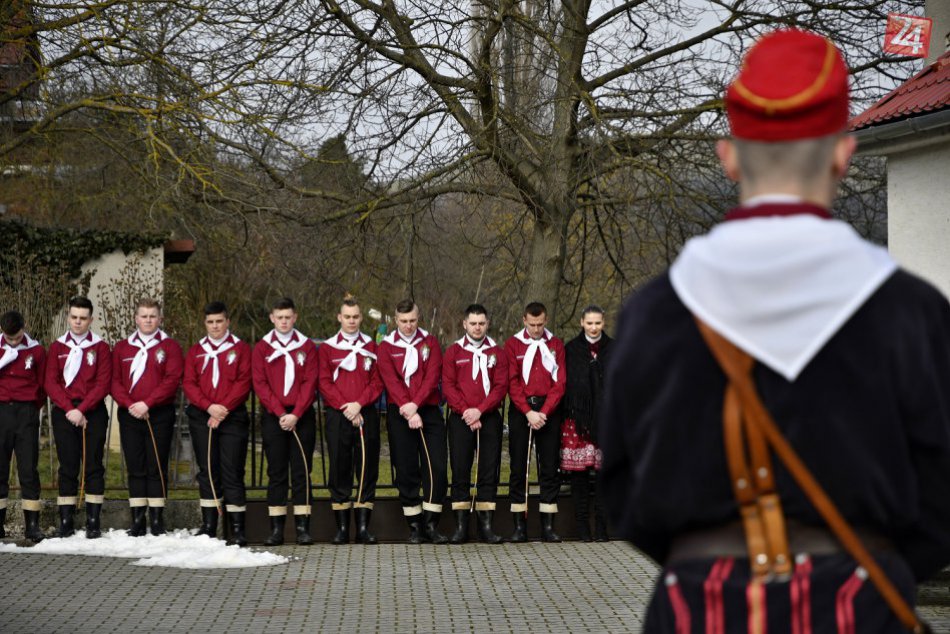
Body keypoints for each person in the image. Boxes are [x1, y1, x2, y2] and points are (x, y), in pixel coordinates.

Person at [599, 29, 950, 632]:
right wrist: (871, 567)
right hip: (859, 606)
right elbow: (942, 495)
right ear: (843, 152)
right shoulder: (910, 311)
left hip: (698, 605)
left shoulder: (654, 312)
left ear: (728, 155)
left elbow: (625, 490)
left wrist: (703, 562)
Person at [377, 299, 448, 544]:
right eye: (404, 321)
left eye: (413, 321)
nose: (409, 326)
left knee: (437, 467)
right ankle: (415, 525)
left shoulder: (430, 341)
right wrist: (408, 410)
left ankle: (431, 523)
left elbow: (432, 377)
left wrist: (415, 406)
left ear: (419, 318)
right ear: (395, 321)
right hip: (400, 412)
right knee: (406, 469)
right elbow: (391, 381)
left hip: (427, 409)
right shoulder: (386, 347)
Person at [182, 301, 252, 546]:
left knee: (232, 471)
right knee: (207, 471)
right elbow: (189, 383)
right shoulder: (195, 351)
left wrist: (222, 409)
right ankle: (209, 525)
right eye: (210, 322)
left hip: (232, 417)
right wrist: (208, 406)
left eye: (219, 321)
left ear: (227, 322)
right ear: (205, 323)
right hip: (203, 416)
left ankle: (237, 529)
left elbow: (244, 382)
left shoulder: (241, 349)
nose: (215, 326)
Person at [112, 298, 183, 537]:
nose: (148, 320)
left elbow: (171, 380)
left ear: (160, 319)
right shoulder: (122, 347)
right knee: (135, 466)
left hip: (158, 413)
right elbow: (115, 382)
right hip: (130, 413)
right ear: (136, 318)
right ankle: (138, 520)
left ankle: (157, 519)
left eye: (152, 316)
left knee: (156, 465)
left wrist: (147, 403)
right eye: (143, 316)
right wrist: (131, 404)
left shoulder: (170, 346)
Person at [317, 296, 384, 545]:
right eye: (347, 317)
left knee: (367, 468)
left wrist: (359, 404)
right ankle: (342, 528)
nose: (352, 321)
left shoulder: (372, 346)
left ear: (361, 318)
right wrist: (346, 407)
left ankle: (363, 528)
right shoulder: (327, 348)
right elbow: (324, 381)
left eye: (356, 317)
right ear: (339, 318)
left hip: (365, 412)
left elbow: (378, 382)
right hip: (338, 414)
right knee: (339, 467)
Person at [252, 297, 319, 546]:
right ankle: (276, 530)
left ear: (295, 317)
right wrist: (280, 413)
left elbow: (310, 382)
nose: (283, 321)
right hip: (274, 417)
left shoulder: (307, 346)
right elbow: (260, 383)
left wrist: (296, 413)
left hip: (301, 417)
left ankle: (303, 528)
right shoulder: (262, 348)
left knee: (302, 472)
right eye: (279, 317)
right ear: (272, 318)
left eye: (288, 317)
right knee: (276, 473)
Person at [44, 297, 112, 539]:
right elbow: (51, 383)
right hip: (64, 413)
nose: (78, 322)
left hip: (92, 412)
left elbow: (103, 383)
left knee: (93, 465)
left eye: (83, 318)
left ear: (91, 320)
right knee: (68, 466)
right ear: (68, 317)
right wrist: (70, 410)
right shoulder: (57, 347)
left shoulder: (101, 348)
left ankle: (93, 520)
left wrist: (82, 409)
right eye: (74, 317)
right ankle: (66, 519)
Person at [441, 303, 508, 544]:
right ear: (465, 324)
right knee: (460, 470)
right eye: (473, 323)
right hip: (461, 419)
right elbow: (448, 385)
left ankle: (486, 527)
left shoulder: (497, 353)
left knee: (488, 470)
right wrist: (467, 412)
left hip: (489, 418)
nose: (477, 327)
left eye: (481, 323)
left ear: (487, 324)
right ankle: (461, 527)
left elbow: (501, 386)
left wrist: (480, 410)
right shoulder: (453, 352)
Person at [505, 301, 566, 543]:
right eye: (532, 325)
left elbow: (560, 382)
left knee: (549, 467)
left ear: (546, 320)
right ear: (524, 321)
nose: (536, 329)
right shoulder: (512, 344)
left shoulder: (556, 345)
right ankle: (519, 525)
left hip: (548, 410)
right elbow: (512, 381)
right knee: (519, 466)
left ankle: (548, 525)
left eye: (540, 324)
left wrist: (545, 411)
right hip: (522, 410)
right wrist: (528, 411)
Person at [560, 305, 611, 542]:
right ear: (581, 322)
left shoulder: (613, 348)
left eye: (597, 323)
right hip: (578, 421)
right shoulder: (571, 349)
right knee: (579, 475)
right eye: (589, 323)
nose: (593, 327)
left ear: (603, 323)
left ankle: (601, 527)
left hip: (606, 420)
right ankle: (582, 527)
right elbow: (568, 385)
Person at [0, 310, 46, 542]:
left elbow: (41, 384)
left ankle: (32, 526)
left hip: (26, 411)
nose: (14, 342)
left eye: (17, 337)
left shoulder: (36, 350)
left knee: (28, 469)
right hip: (0, 410)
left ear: (24, 327)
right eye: (9, 339)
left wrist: (31, 407)